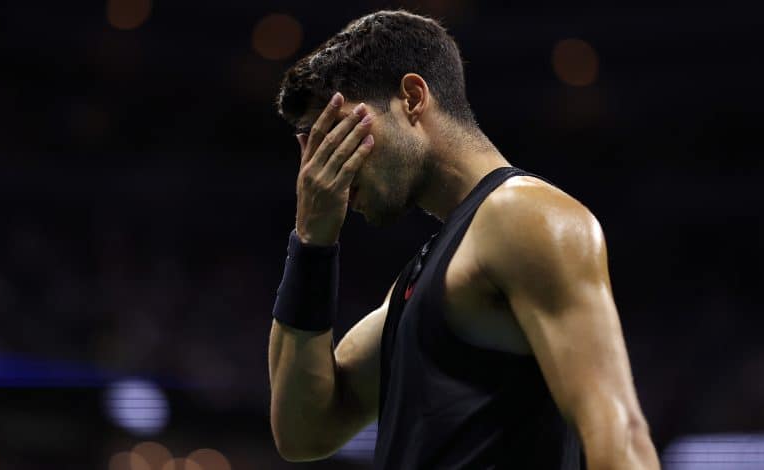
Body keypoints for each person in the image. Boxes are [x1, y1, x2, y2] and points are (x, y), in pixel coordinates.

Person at [268, 10, 660, 469]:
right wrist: (312, 244)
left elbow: (621, 439)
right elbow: (303, 430)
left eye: (338, 134)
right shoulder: (428, 271)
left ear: (412, 98)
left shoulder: (527, 217)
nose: (325, 170)